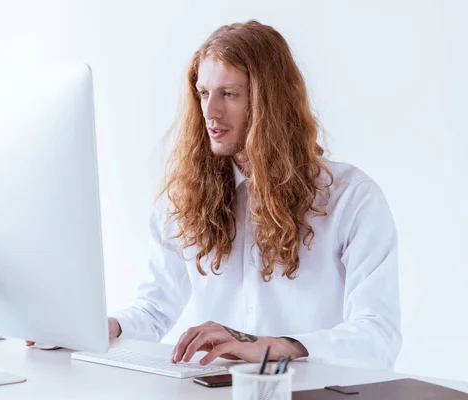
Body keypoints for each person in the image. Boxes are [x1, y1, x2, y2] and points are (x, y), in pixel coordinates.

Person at [31, 20, 402, 369]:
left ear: (270, 104)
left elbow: (378, 337)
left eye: (229, 94)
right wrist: (99, 328)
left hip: (305, 389)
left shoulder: (351, 198)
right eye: (204, 93)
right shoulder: (184, 197)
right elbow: (154, 310)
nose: (210, 112)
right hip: (212, 388)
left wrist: (276, 345)